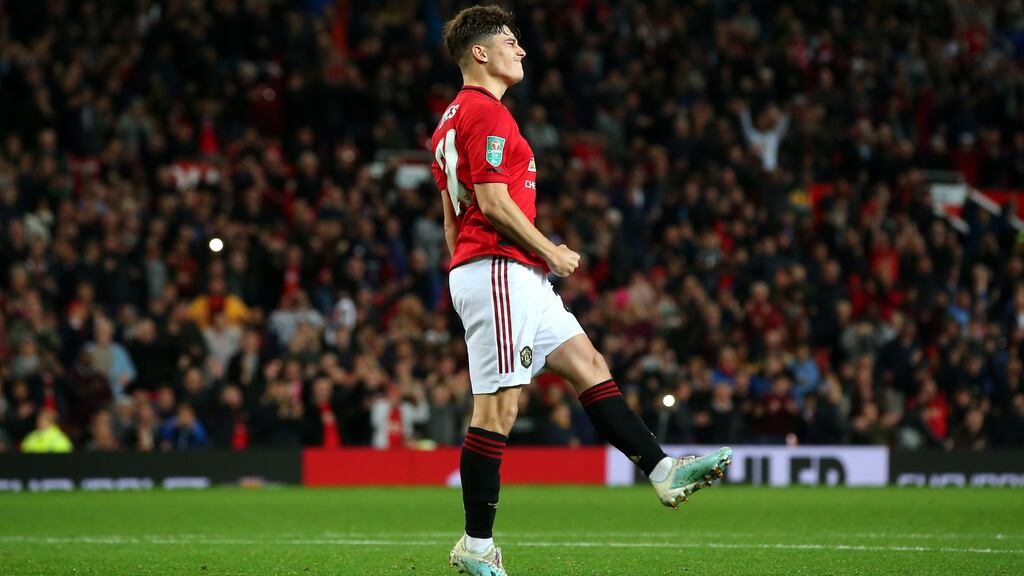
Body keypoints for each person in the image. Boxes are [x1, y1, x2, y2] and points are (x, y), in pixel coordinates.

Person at [432, 7, 731, 575]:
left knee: (588, 363)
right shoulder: (486, 114)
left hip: (507, 273)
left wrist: (473, 269)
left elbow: (454, 218)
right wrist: (547, 250)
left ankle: (664, 473)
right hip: (502, 268)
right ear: (480, 52)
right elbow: (491, 206)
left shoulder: (450, 120)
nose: (520, 51)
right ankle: (475, 547)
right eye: (511, 43)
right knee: (498, 409)